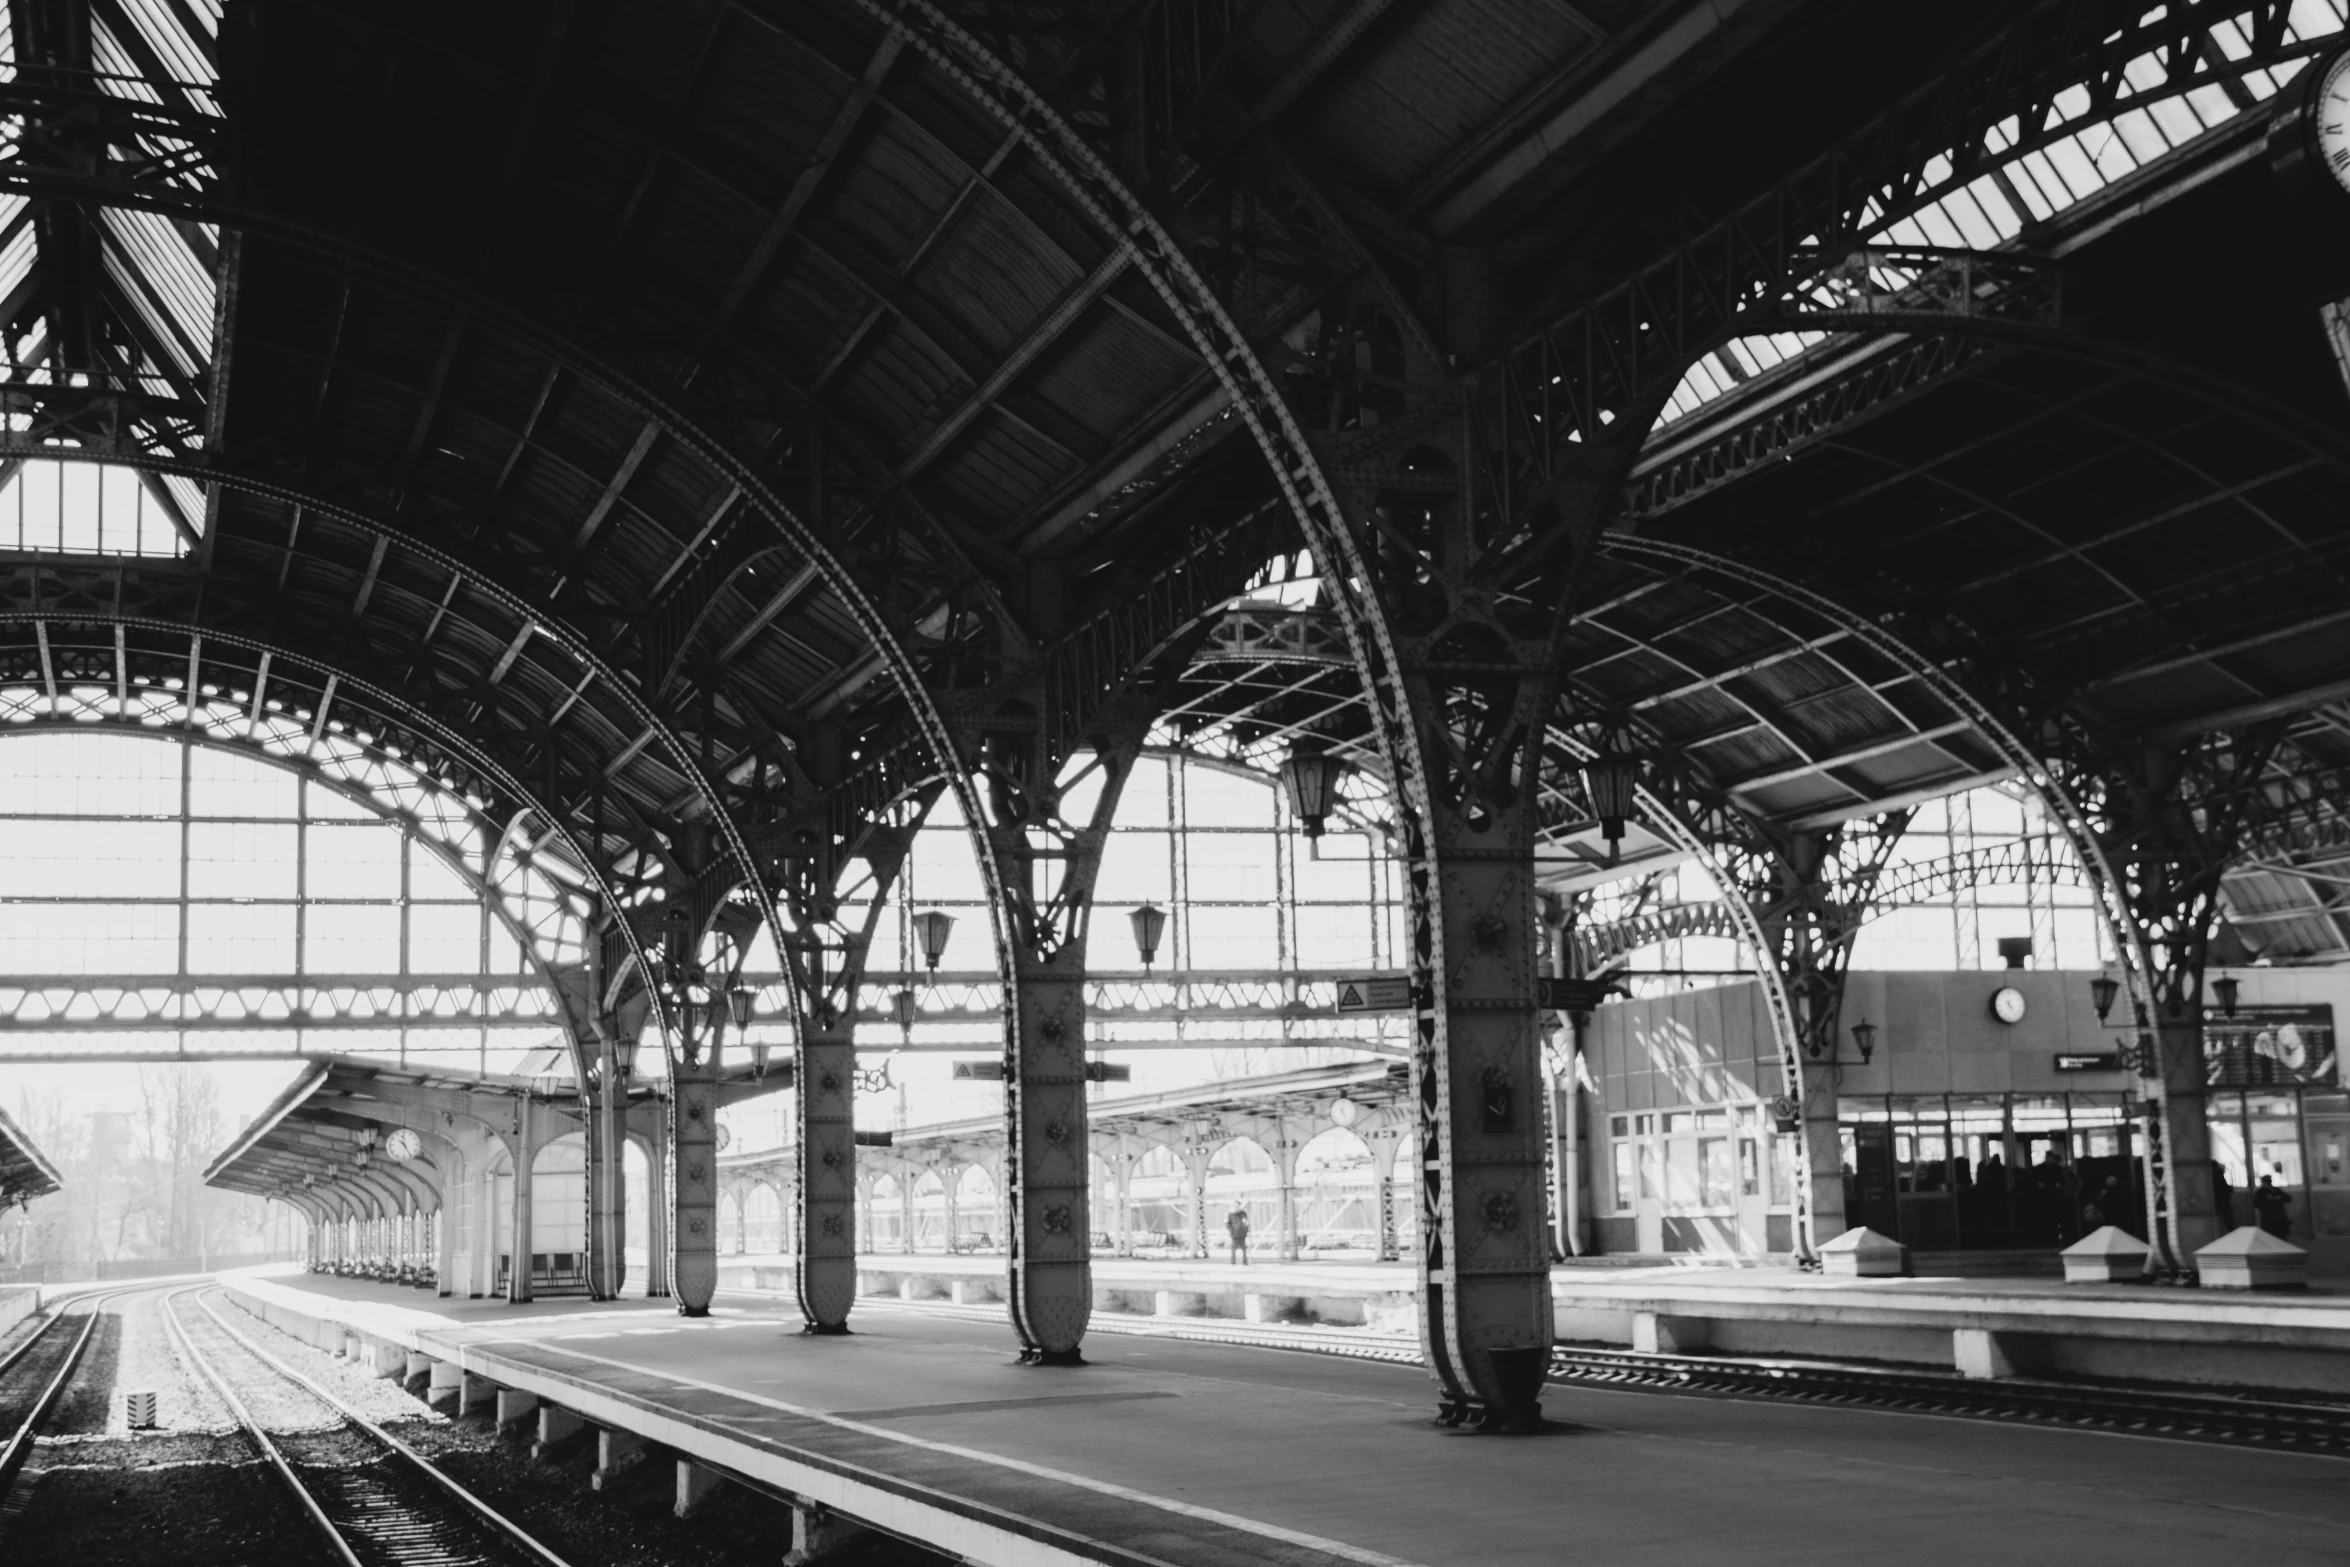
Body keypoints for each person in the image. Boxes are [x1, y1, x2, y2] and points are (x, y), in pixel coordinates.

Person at [2253, 1175, 2293, 1240]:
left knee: (2280, 1236)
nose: (2268, 1183)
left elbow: (2288, 1198)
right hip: (2269, 1218)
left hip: (2278, 1217)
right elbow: (2256, 1204)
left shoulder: (2276, 1190)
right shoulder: (2261, 1192)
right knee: (2272, 1237)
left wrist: (2279, 1198)